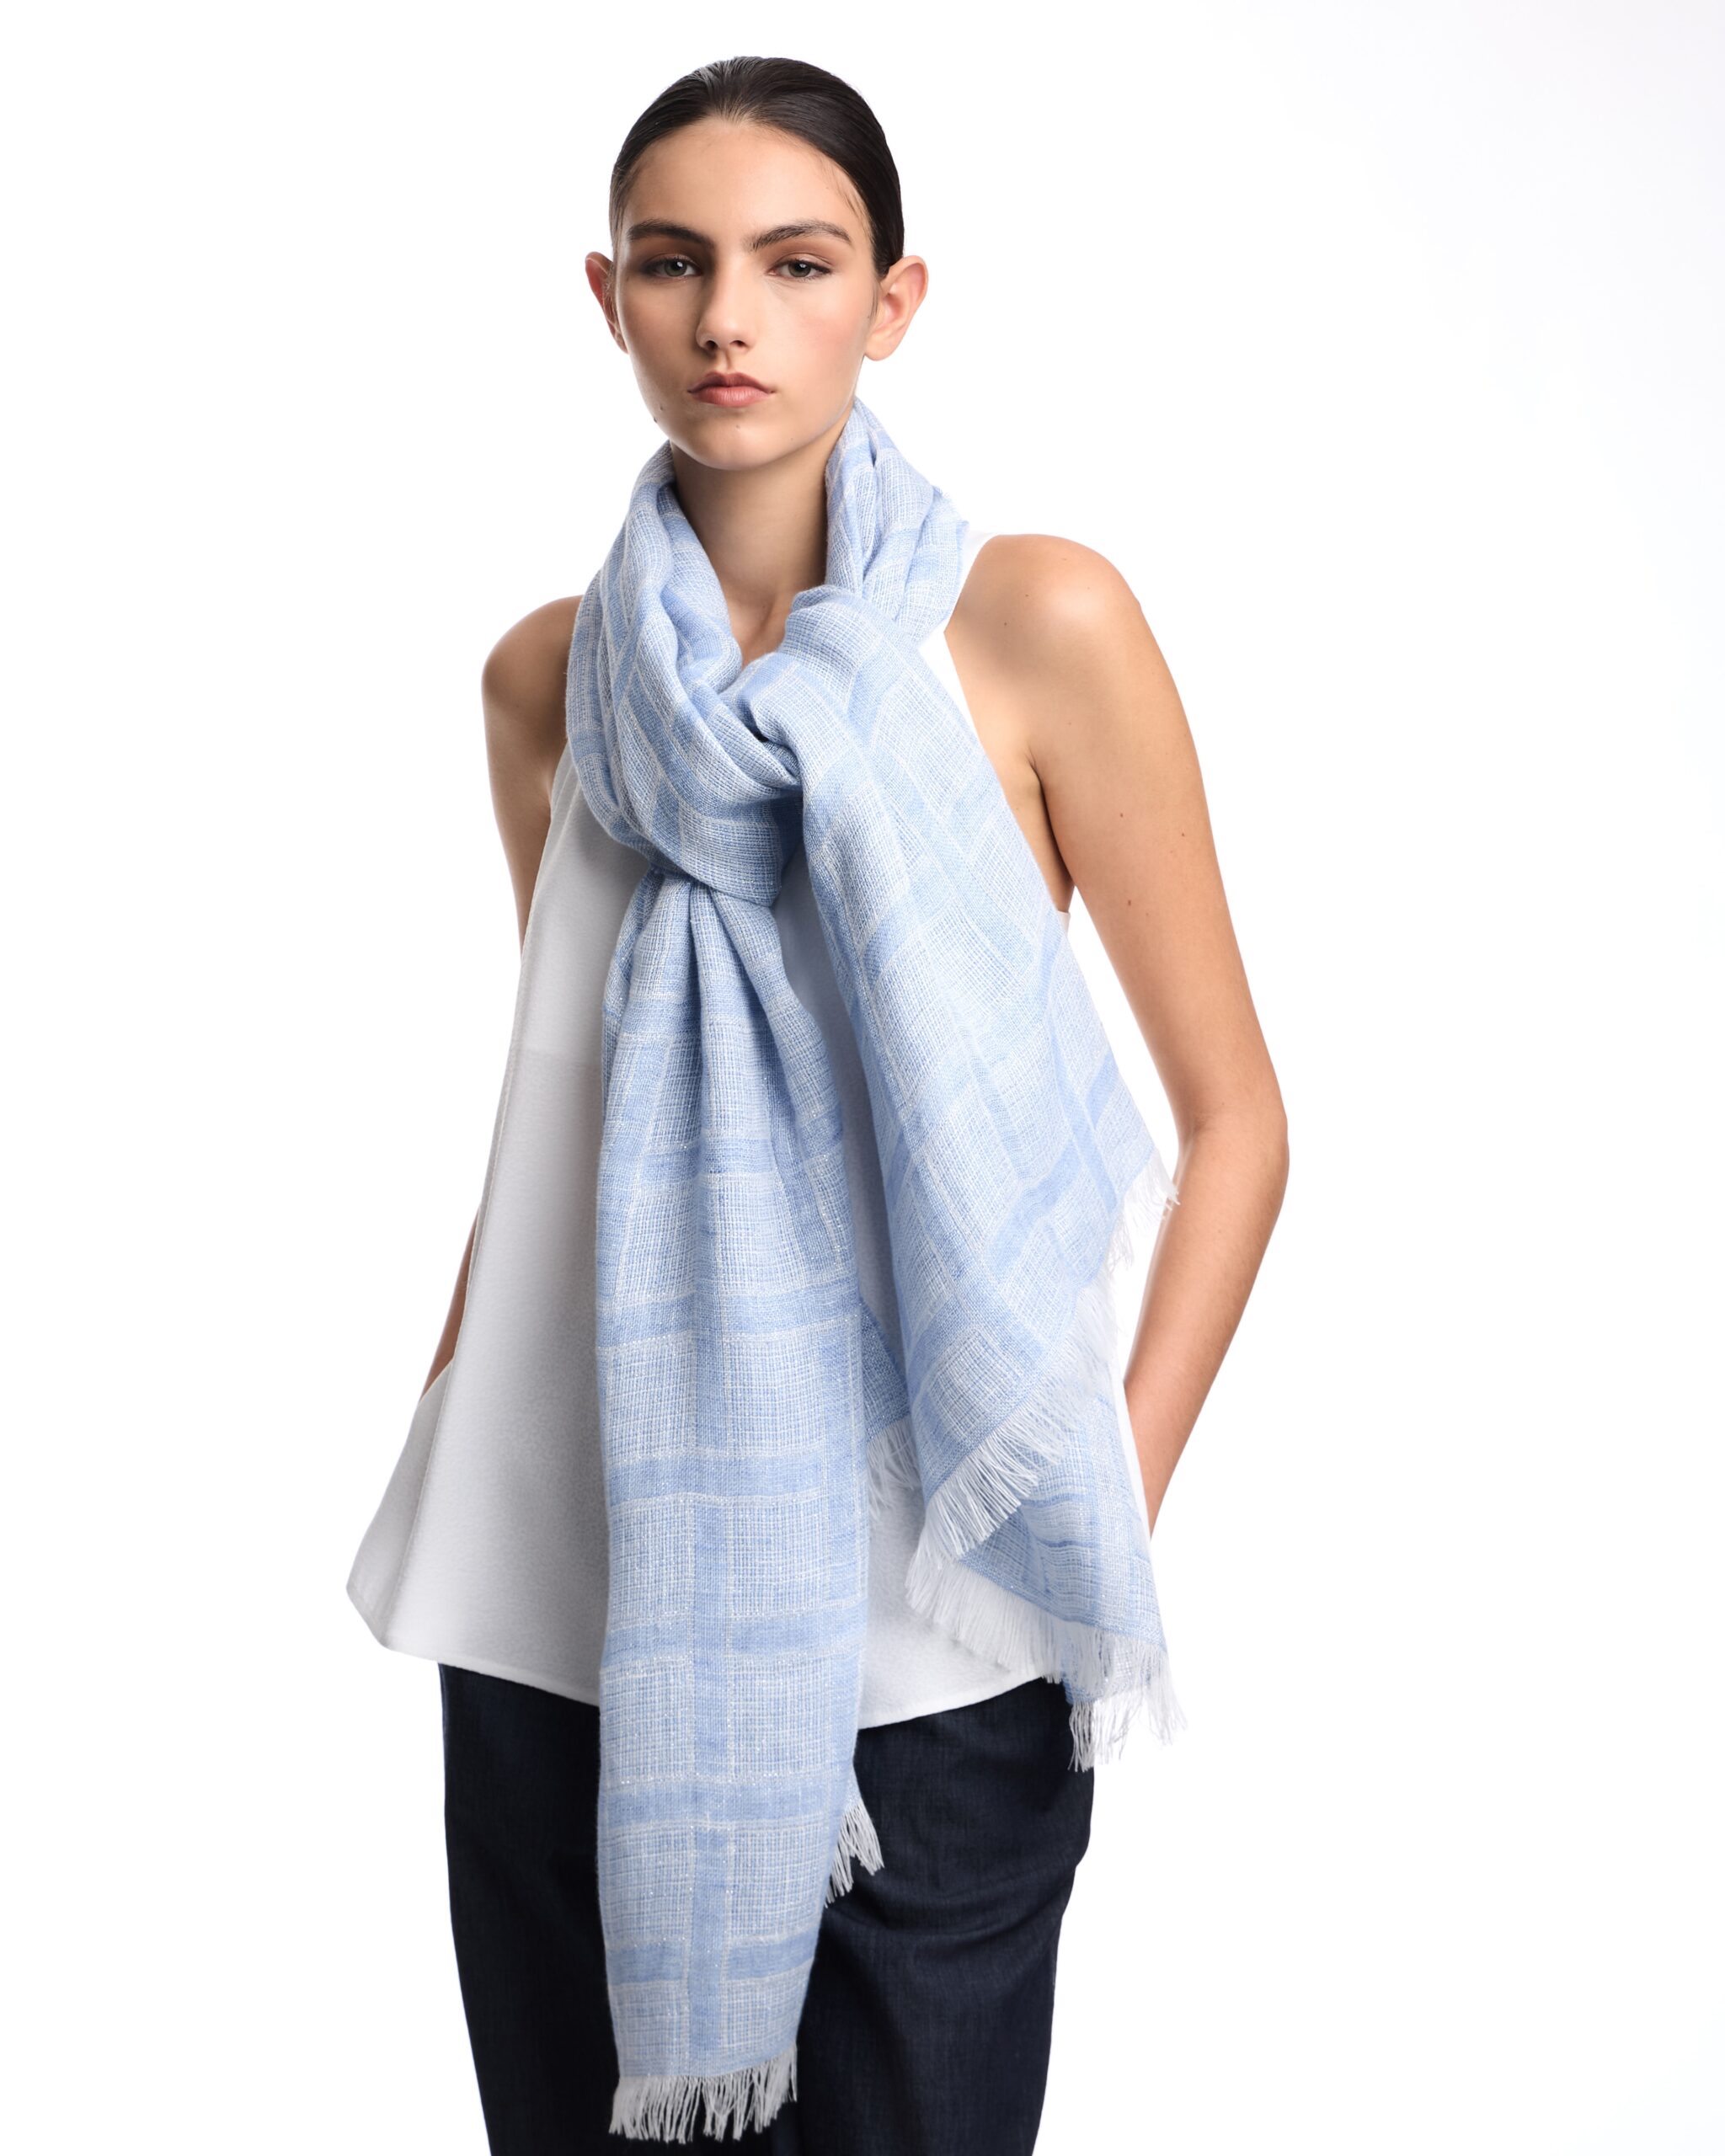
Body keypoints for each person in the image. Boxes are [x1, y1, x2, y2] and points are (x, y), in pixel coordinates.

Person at [348, 52, 1289, 2156]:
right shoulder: (548, 681)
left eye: (795, 262)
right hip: (554, 1599)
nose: (728, 318)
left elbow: (1237, 1121)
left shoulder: (1033, 626)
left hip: (928, 1630)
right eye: (673, 264)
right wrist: (438, 1423)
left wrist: (1091, 1506)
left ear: (894, 298)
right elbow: (570, 1130)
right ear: (608, 297)